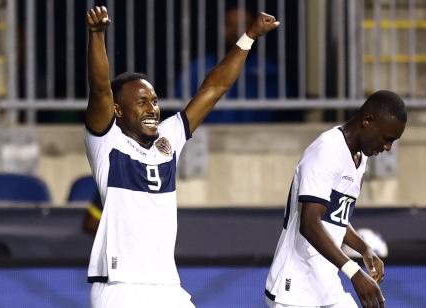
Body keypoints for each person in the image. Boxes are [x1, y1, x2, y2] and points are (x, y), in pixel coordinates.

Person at [84, 6, 279, 308]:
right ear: (118, 110)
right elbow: (99, 90)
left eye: (154, 101)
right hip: (119, 286)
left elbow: (215, 88)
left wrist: (249, 37)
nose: (152, 108)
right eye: (141, 102)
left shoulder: (168, 138)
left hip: (167, 286)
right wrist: (97, 36)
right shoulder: (107, 143)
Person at [265, 90, 407, 308]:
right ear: (368, 121)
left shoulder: (360, 158)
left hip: (326, 287)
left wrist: (364, 248)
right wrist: (354, 272)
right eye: (388, 139)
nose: (388, 148)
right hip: (294, 291)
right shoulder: (327, 149)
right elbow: (310, 223)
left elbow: (334, 219)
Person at [175, 6, 281, 123]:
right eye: (231, 25)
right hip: (206, 134)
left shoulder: (269, 71)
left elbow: (282, 111)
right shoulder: (197, 69)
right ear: (221, 28)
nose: (236, 31)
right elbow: (179, 106)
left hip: (260, 136)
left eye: (243, 25)